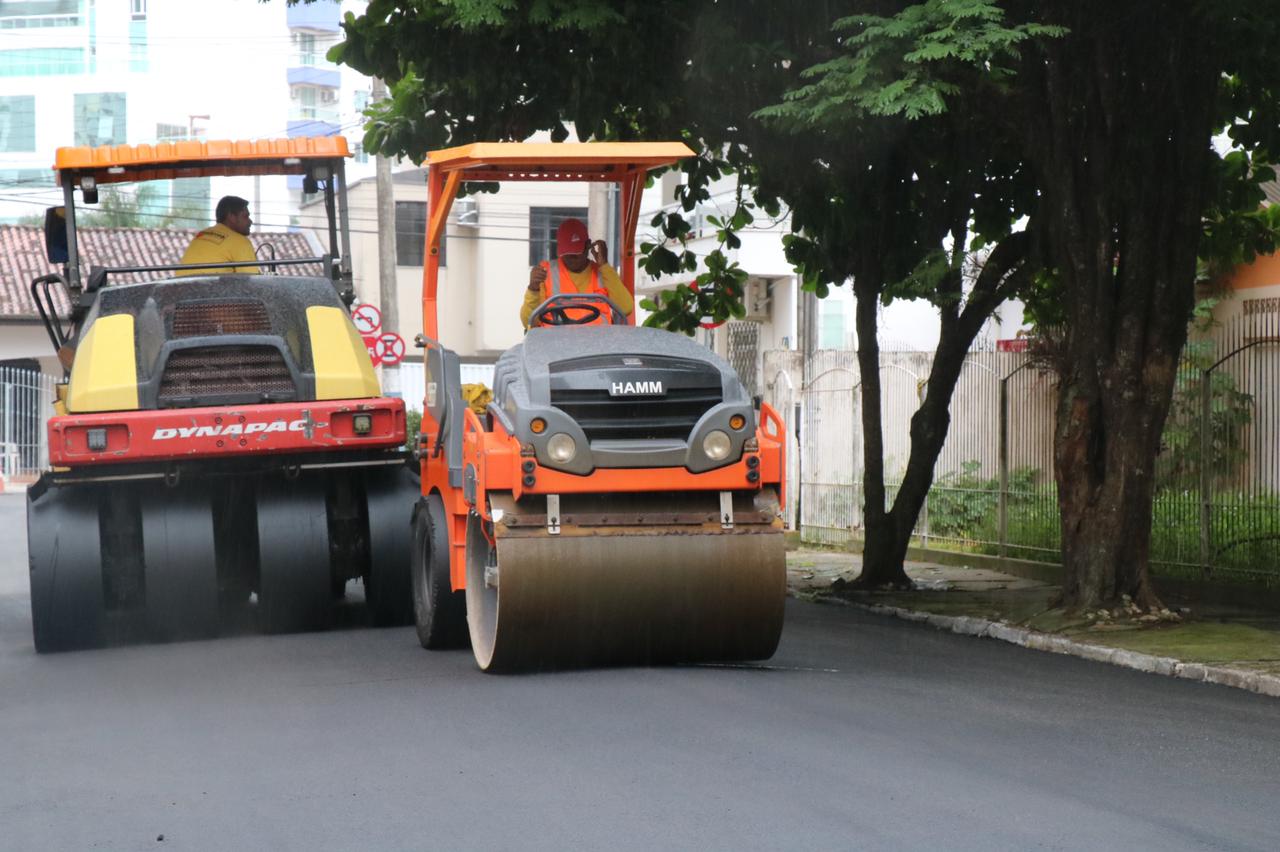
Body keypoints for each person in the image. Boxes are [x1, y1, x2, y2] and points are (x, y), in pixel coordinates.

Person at [520, 218, 633, 329]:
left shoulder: (603, 273)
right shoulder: (544, 272)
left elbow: (626, 308)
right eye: (568, 253)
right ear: (559, 250)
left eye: (576, 253)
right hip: (555, 344)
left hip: (598, 344)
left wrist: (604, 266)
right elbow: (529, 322)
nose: (572, 258)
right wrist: (533, 288)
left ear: (588, 245)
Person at [177, 195, 260, 276]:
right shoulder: (241, 242)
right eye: (245, 216)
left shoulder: (201, 235)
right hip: (210, 289)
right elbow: (252, 282)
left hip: (180, 287)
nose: (250, 221)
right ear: (232, 217)